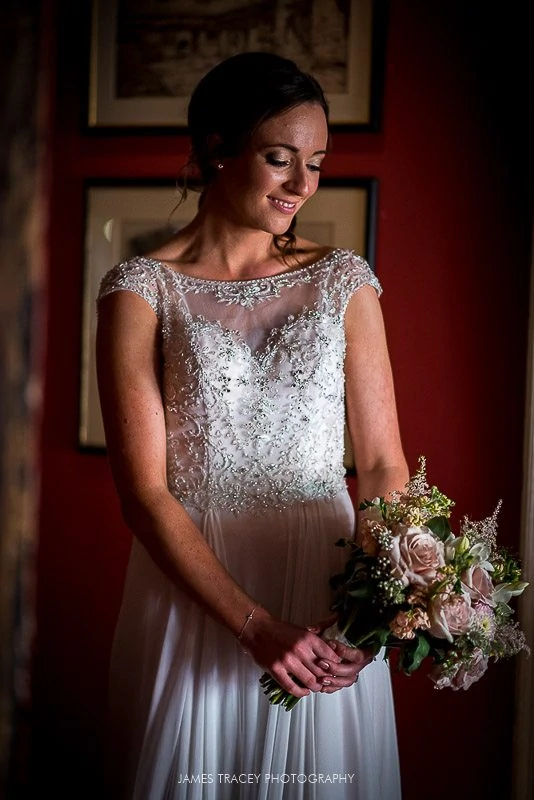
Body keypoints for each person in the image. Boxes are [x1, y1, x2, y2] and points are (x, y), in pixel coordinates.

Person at [96, 52, 409, 800]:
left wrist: (368, 609)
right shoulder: (140, 292)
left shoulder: (344, 280)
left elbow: (384, 464)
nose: (303, 185)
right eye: (280, 159)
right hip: (198, 585)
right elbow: (142, 493)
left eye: (317, 163)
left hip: (328, 578)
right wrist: (252, 624)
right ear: (215, 148)